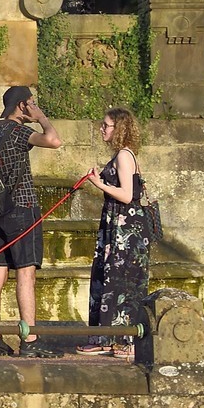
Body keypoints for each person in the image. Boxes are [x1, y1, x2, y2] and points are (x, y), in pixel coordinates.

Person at [0, 85, 63, 358]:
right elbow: (54, 141)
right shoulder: (18, 132)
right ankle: (30, 340)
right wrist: (41, 117)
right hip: (22, 209)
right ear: (22, 105)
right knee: (26, 274)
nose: (33, 106)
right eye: (31, 102)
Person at [76, 107, 152, 360]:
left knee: (121, 282)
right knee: (110, 279)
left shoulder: (124, 155)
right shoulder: (122, 155)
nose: (102, 129)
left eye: (106, 125)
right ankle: (106, 338)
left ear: (118, 129)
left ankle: (122, 340)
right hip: (118, 228)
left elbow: (128, 195)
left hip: (125, 231)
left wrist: (99, 184)